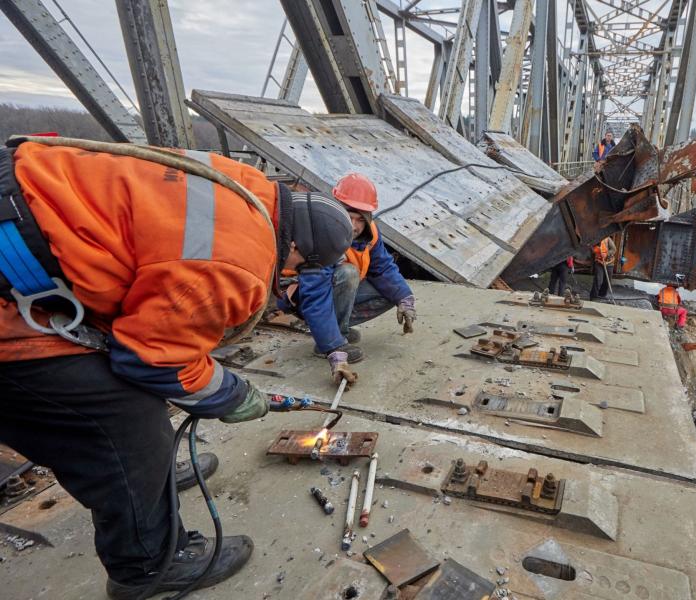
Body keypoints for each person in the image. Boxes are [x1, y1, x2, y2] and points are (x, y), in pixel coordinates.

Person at [0, 137, 354, 599]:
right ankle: (147, 565)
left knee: (137, 393)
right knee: (123, 416)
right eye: (296, 270)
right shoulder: (239, 262)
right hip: (12, 298)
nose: (288, 277)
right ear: (297, 252)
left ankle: (155, 479)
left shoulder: (241, 183)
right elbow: (153, 360)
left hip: (23, 222)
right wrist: (232, 394)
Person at [278, 173, 416, 374]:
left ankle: (333, 329)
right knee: (348, 273)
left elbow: (383, 268)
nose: (353, 226)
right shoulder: (321, 234)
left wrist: (405, 299)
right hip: (303, 297)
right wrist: (333, 348)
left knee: (390, 293)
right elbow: (315, 295)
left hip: (334, 291)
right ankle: (333, 338)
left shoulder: (370, 233)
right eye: (349, 217)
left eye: (360, 219)